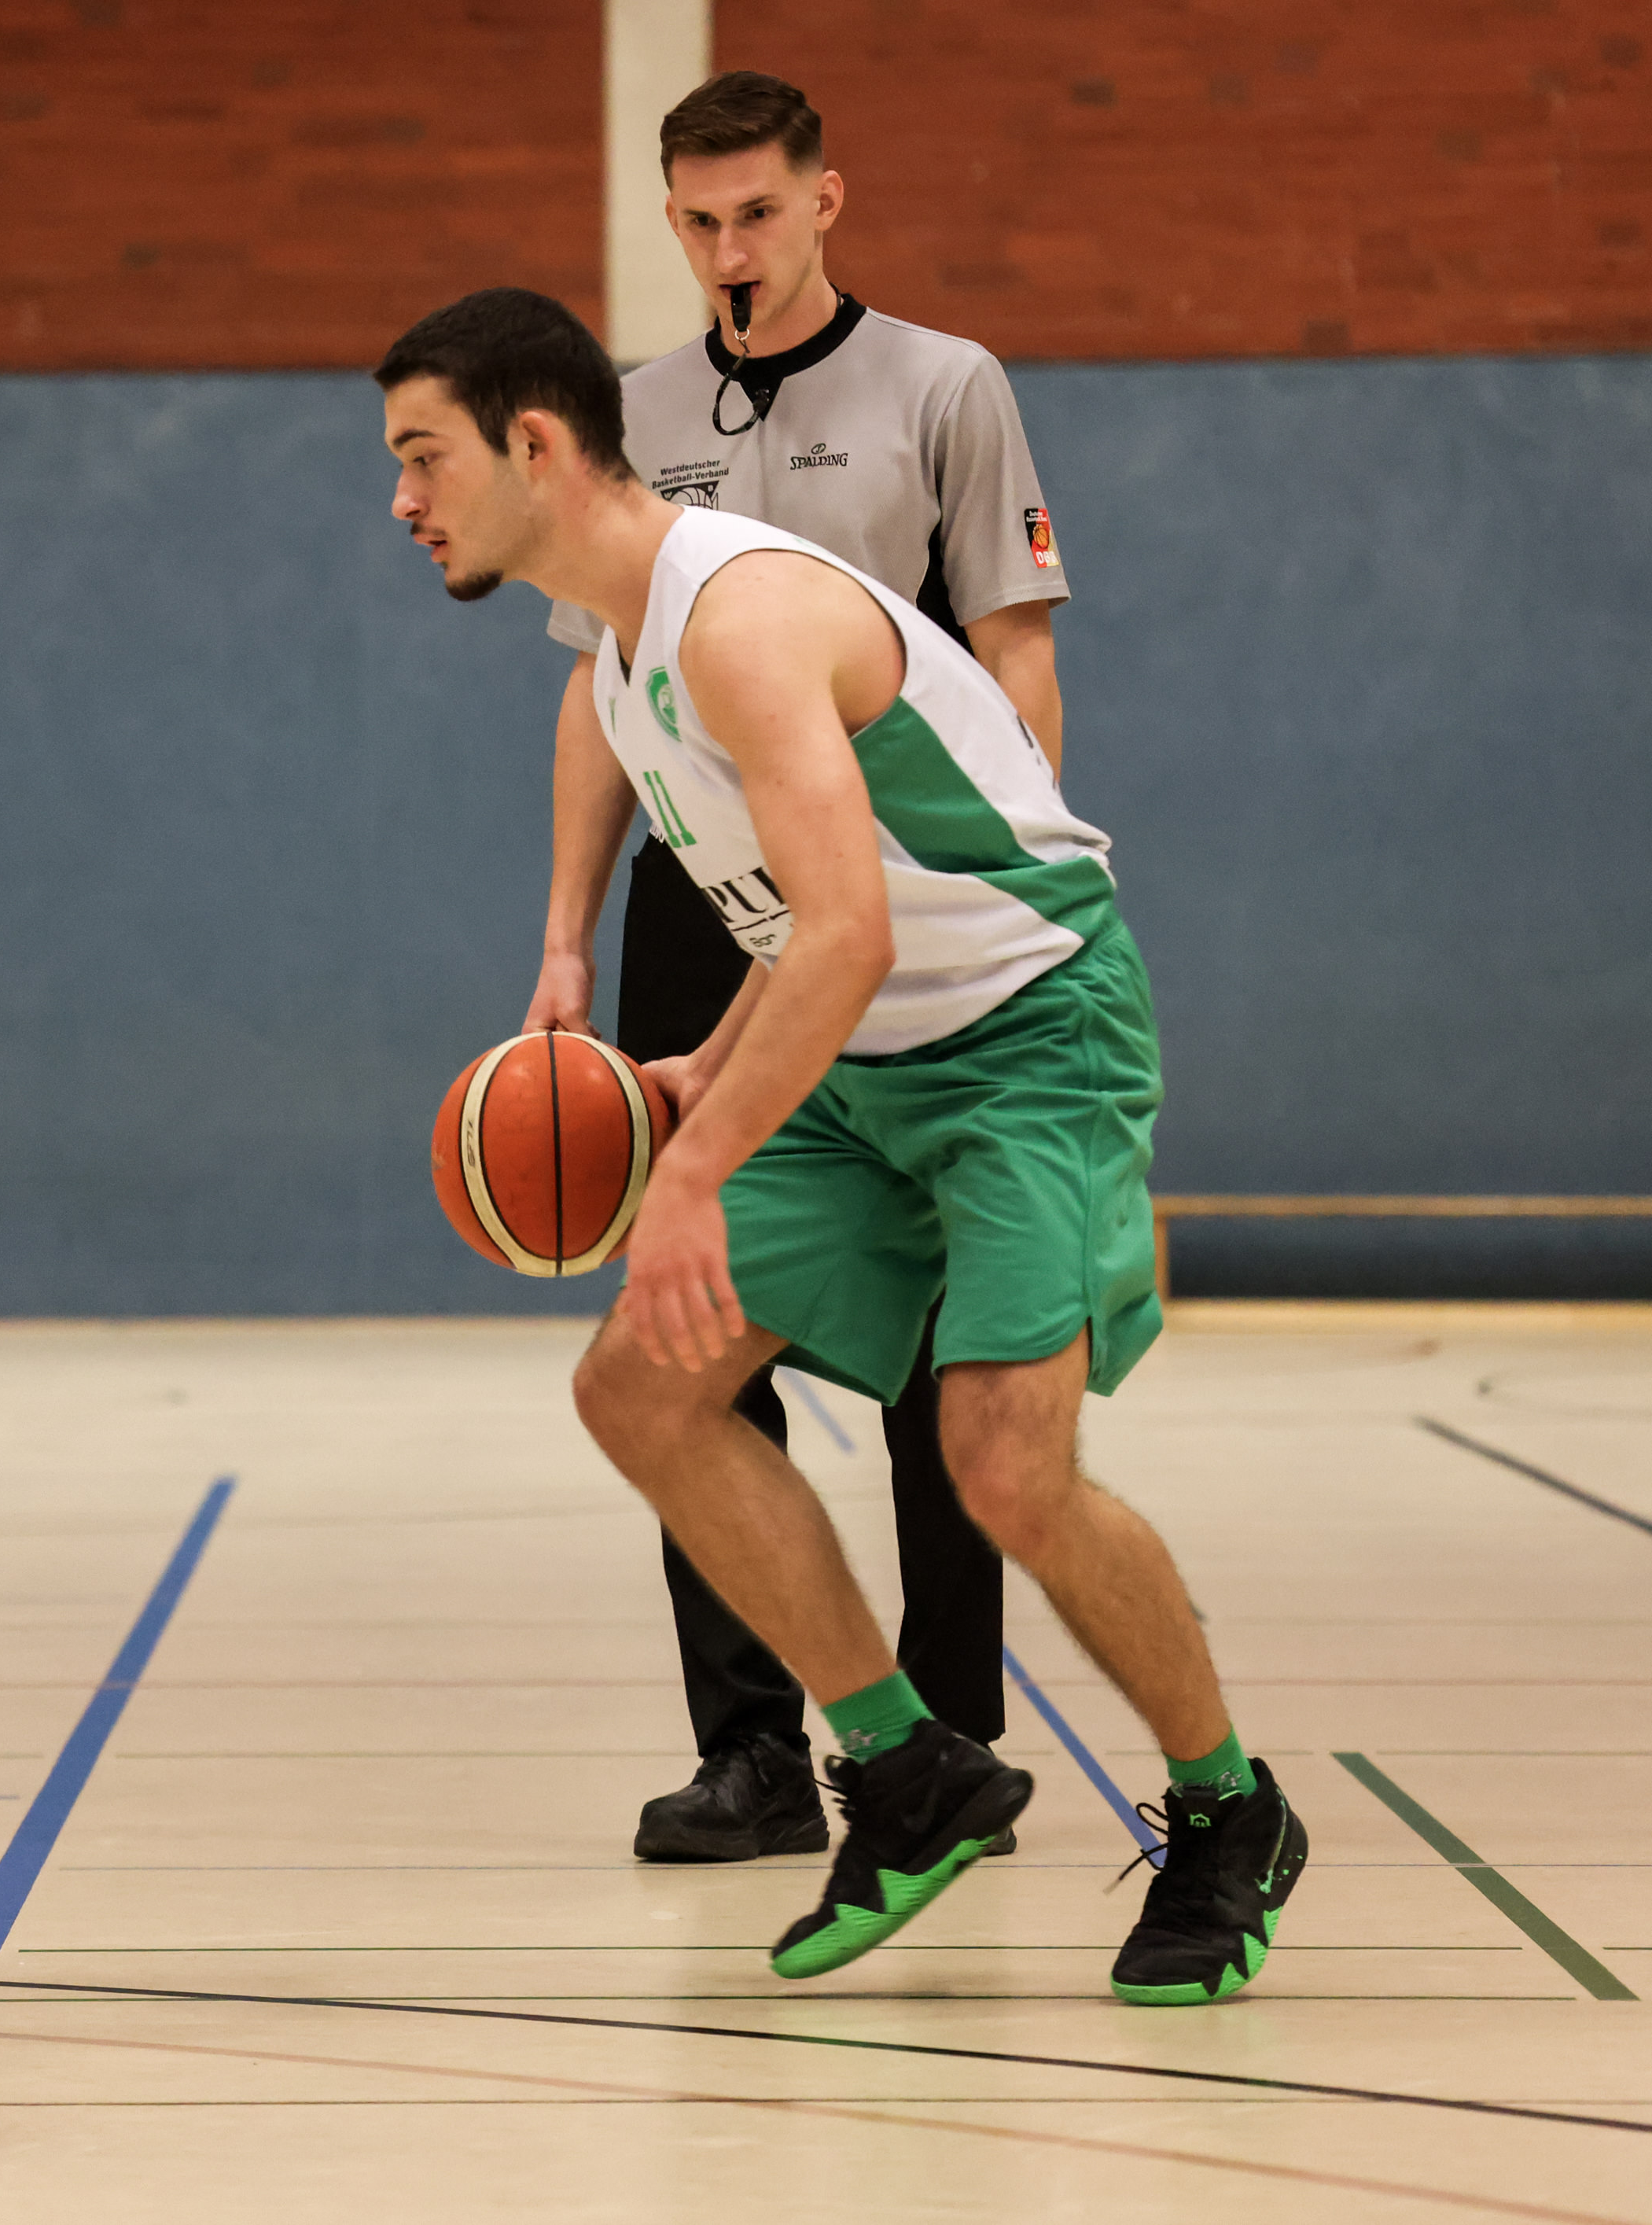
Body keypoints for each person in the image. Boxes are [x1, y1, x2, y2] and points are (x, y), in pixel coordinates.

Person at [377, 286, 1308, 2002]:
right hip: (868, 1053)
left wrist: (694, 1169)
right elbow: (801, 911)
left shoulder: (735, 617)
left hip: (1029, 1034)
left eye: (423, 456)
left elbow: (854, 931)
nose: (403, 499)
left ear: (534, 444)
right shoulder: (627, 660)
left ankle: (1226, 1808)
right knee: (639, 1389)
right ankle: (906, 1766)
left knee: (1003, 1464)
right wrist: (699, 1073)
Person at [530, 72, 1072, 1864]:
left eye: (756, 212)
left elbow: (1013, 650)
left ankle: (948, 1734)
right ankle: (753, 1749)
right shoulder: (630, 414)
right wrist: (563, 935)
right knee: (692, 1320)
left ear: (827, 199)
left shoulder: (945, 386)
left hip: (890, 889)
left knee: (930, 1318)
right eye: (697, 222)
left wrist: (1007, 882)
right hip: (701, 904)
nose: (728, 249)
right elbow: (598, 693)